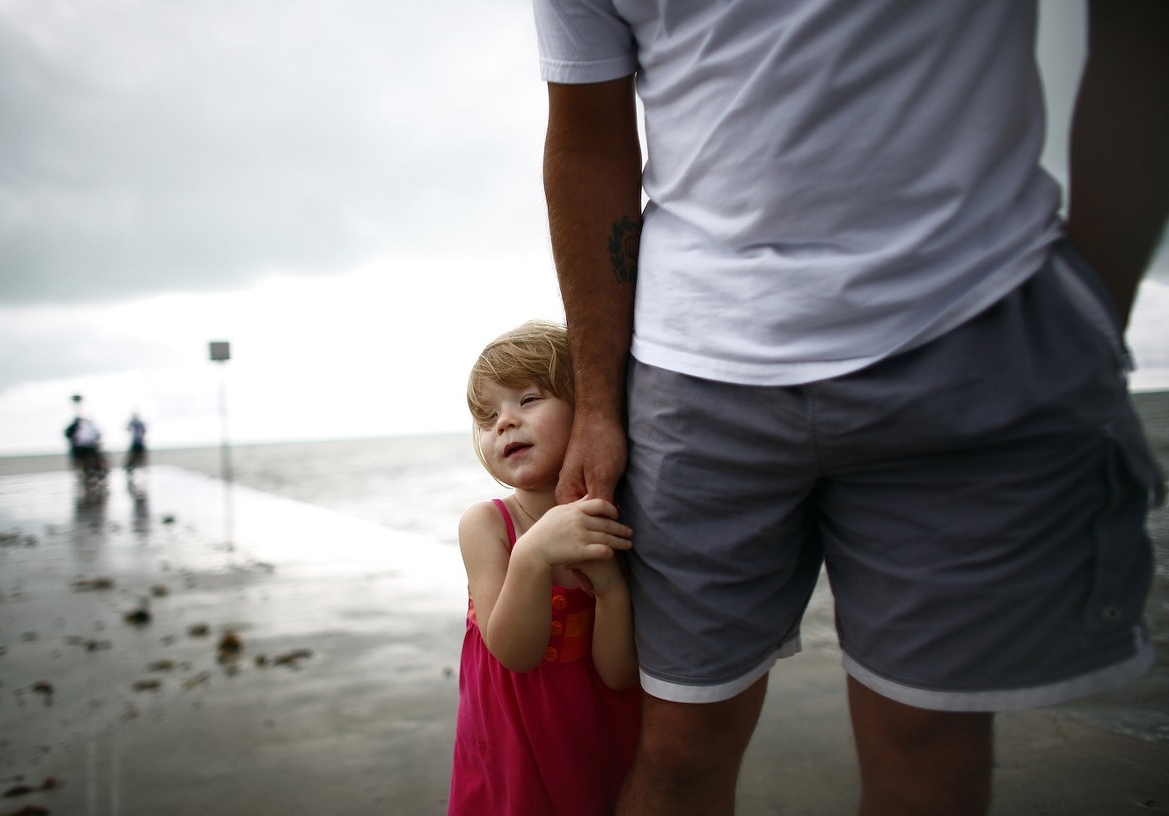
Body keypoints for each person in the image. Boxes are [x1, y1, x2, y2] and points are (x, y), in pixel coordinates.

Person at [533, 1, 1167, 814]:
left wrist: (1091, 309)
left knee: (927, 738)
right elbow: (587, 136)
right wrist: (595, 407)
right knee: (680, 744)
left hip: (963, 326)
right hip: (691, 371)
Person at [448, 320, 642, 816]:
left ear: (587, 411)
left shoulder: (610, 518)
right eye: (488, 417)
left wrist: (611, 593)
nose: (504, 423)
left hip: (591, 739)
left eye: (528, 399)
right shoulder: (488, 525)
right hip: (514, 748)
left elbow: (619, 675)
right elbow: (515, 652)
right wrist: (533, 555)